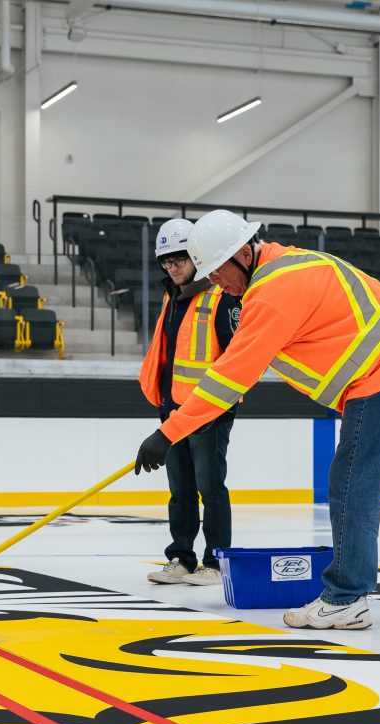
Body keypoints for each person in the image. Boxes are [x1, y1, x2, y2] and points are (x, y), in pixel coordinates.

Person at [133, 210, 380, 630]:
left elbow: (230, 377)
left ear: (242, 254)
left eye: (217, 271)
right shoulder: (285, 263)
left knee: (351, 483)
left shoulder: (273, 291)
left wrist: (167, 433)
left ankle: (347, 597)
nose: (214, 282)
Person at [138, 219, 241, 586]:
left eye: (179, 258)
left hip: (209, 413)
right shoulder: (172, 297)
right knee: (180, 490)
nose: (173, 266)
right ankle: (181, 557)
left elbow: (238, 360)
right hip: (173, 411)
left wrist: (217, 407)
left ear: (196, 257)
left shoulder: (221, 296)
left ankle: (216, 562)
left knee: (211, 489)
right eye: (166, 261)